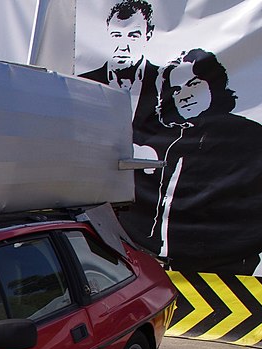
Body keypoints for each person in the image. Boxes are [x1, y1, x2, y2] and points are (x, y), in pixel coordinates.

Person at [151, 49, 262, 274]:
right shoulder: (176, 142)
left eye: (193, 85)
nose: (184, 96)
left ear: (214, 85)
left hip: (228, 271)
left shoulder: (248, 135)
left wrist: (233, 251)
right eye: (176, 90)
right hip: (175, 268)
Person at [79, 1, 171, 248]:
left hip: (150, 215)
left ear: (148, 35)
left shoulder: (168, 85)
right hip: (94, 217)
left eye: (133, 35)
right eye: (117, 35)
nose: (123, 44)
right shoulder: (82, 84)